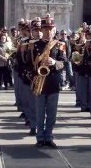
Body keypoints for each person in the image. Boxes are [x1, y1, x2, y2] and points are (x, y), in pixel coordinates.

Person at [32, 14, 66, 148]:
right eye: (45, 29)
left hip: (53, 82)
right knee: (40, 112)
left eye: (50, 29)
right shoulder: (35, 46)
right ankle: (40, 137)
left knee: (52, 113)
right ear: (42, 30)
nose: (48, 31)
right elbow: (31, 63)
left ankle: (49, 136)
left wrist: (54, 62)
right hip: (40, 82)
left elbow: (63, 62)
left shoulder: (60, 45)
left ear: (54, 29)